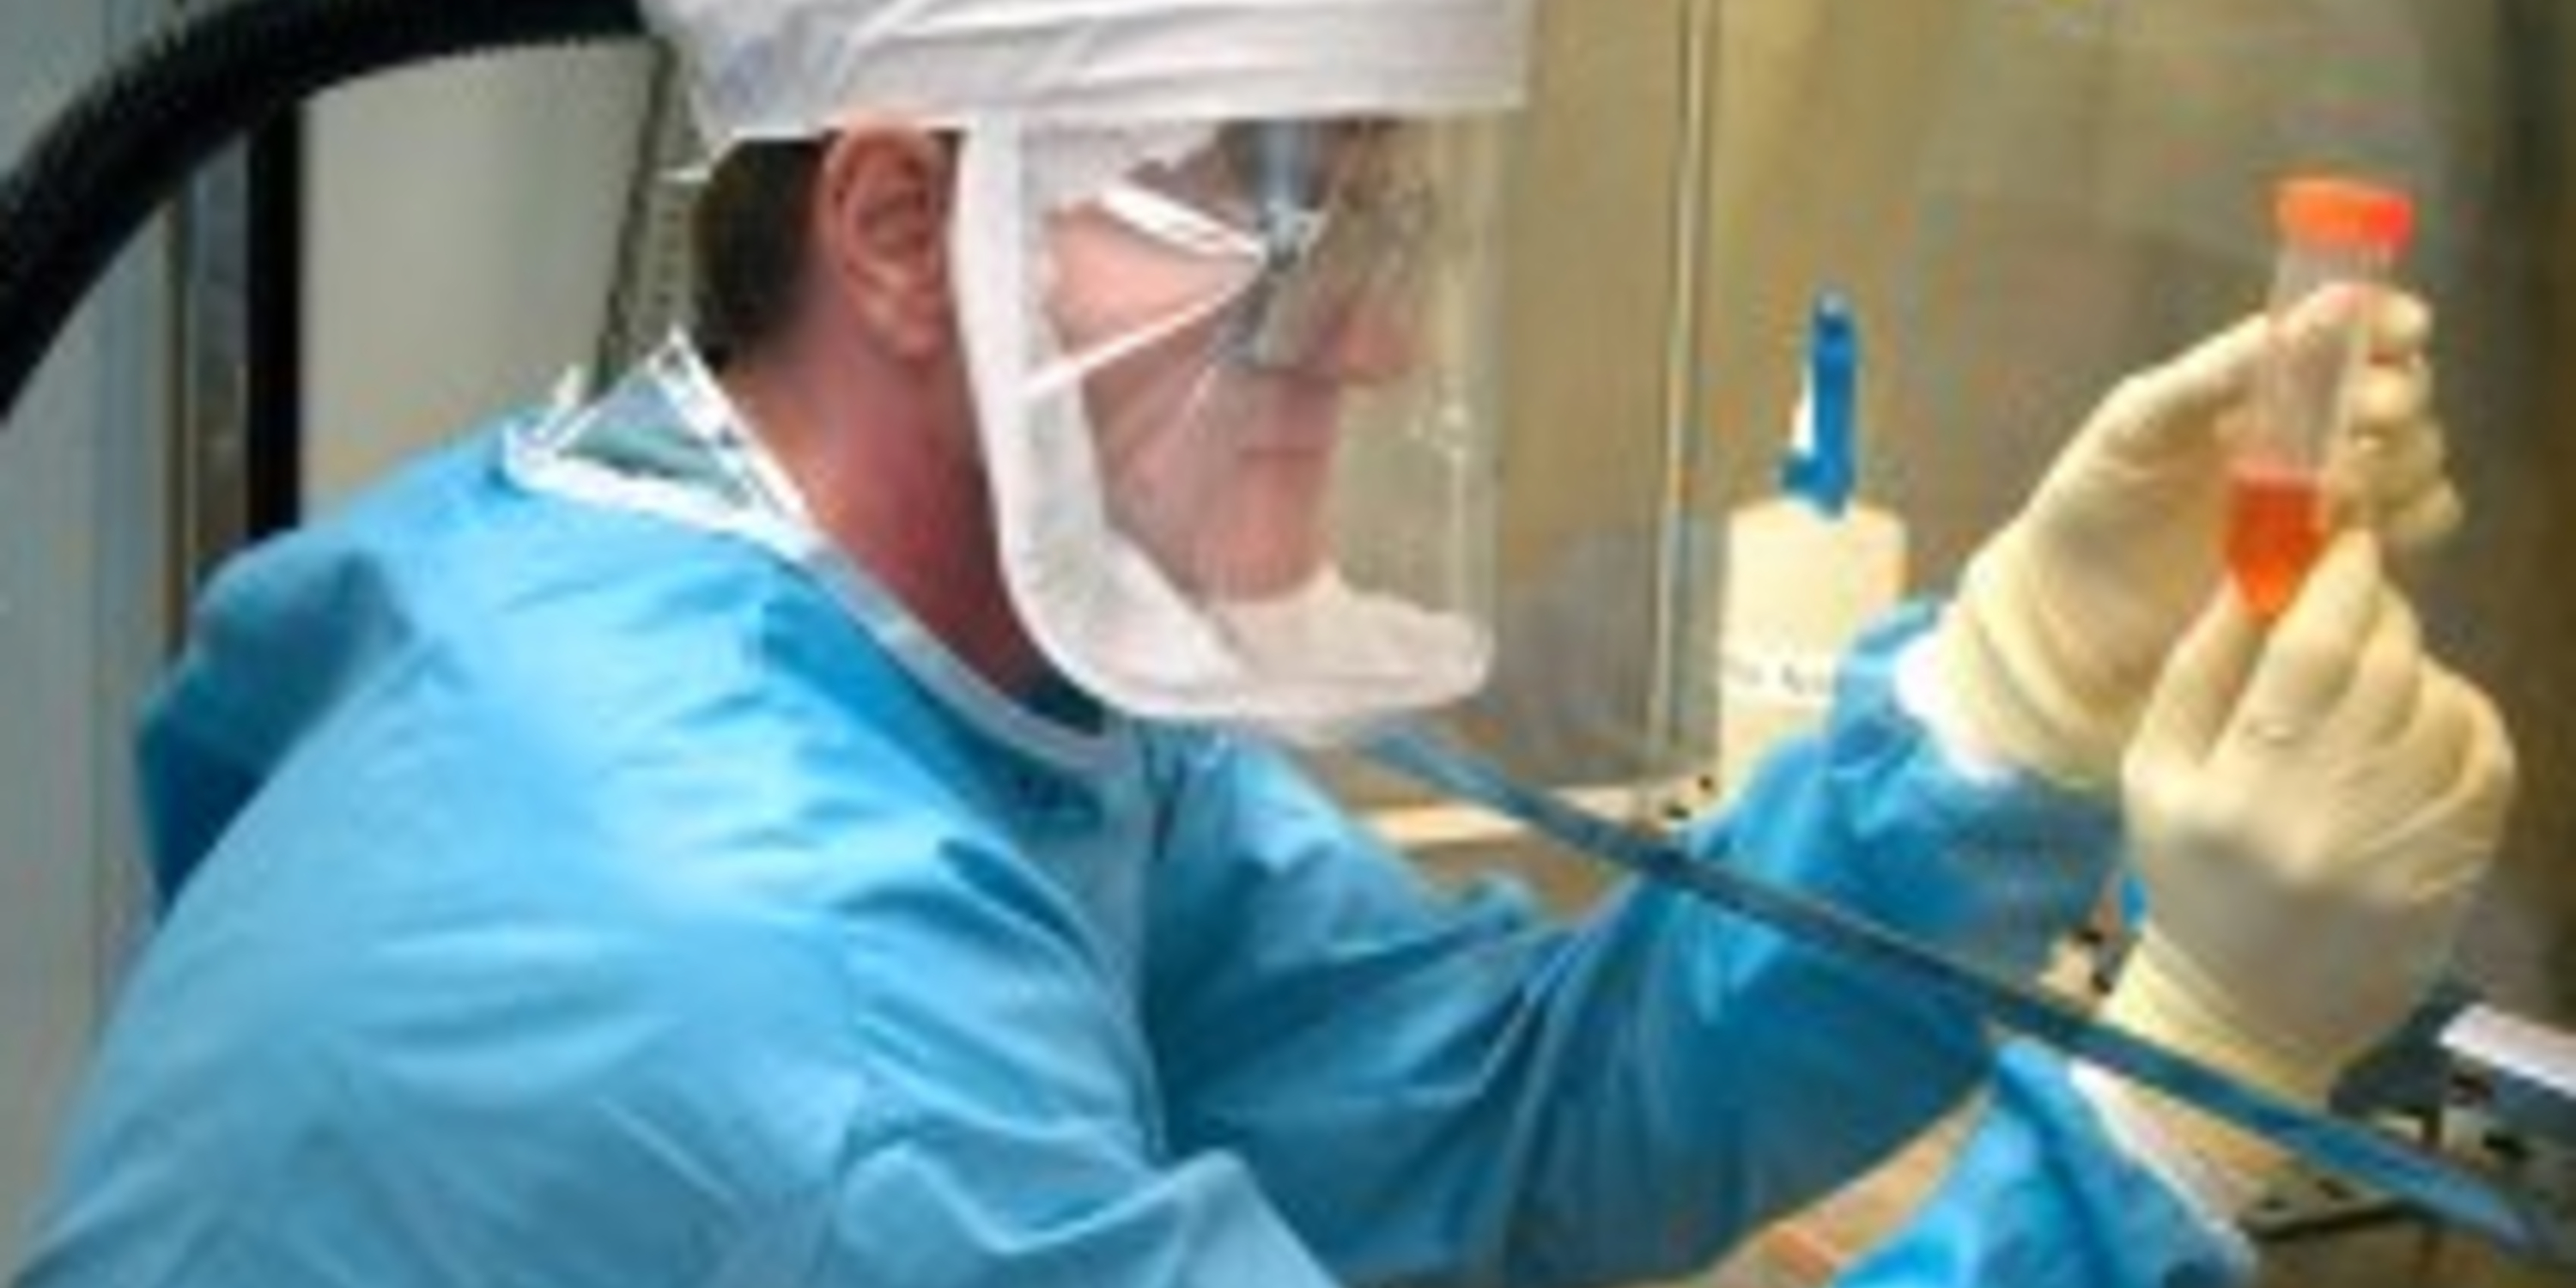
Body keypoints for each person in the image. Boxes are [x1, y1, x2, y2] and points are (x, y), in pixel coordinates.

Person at [13, 0, 2512, 1285]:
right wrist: (2171, 1104)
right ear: (901, 226)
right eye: (1271, 201)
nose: (1391, 340)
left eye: (1395, 214)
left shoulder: (878, 645)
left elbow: (1500, 1119)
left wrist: (2015, 702)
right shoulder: (801, 1012)